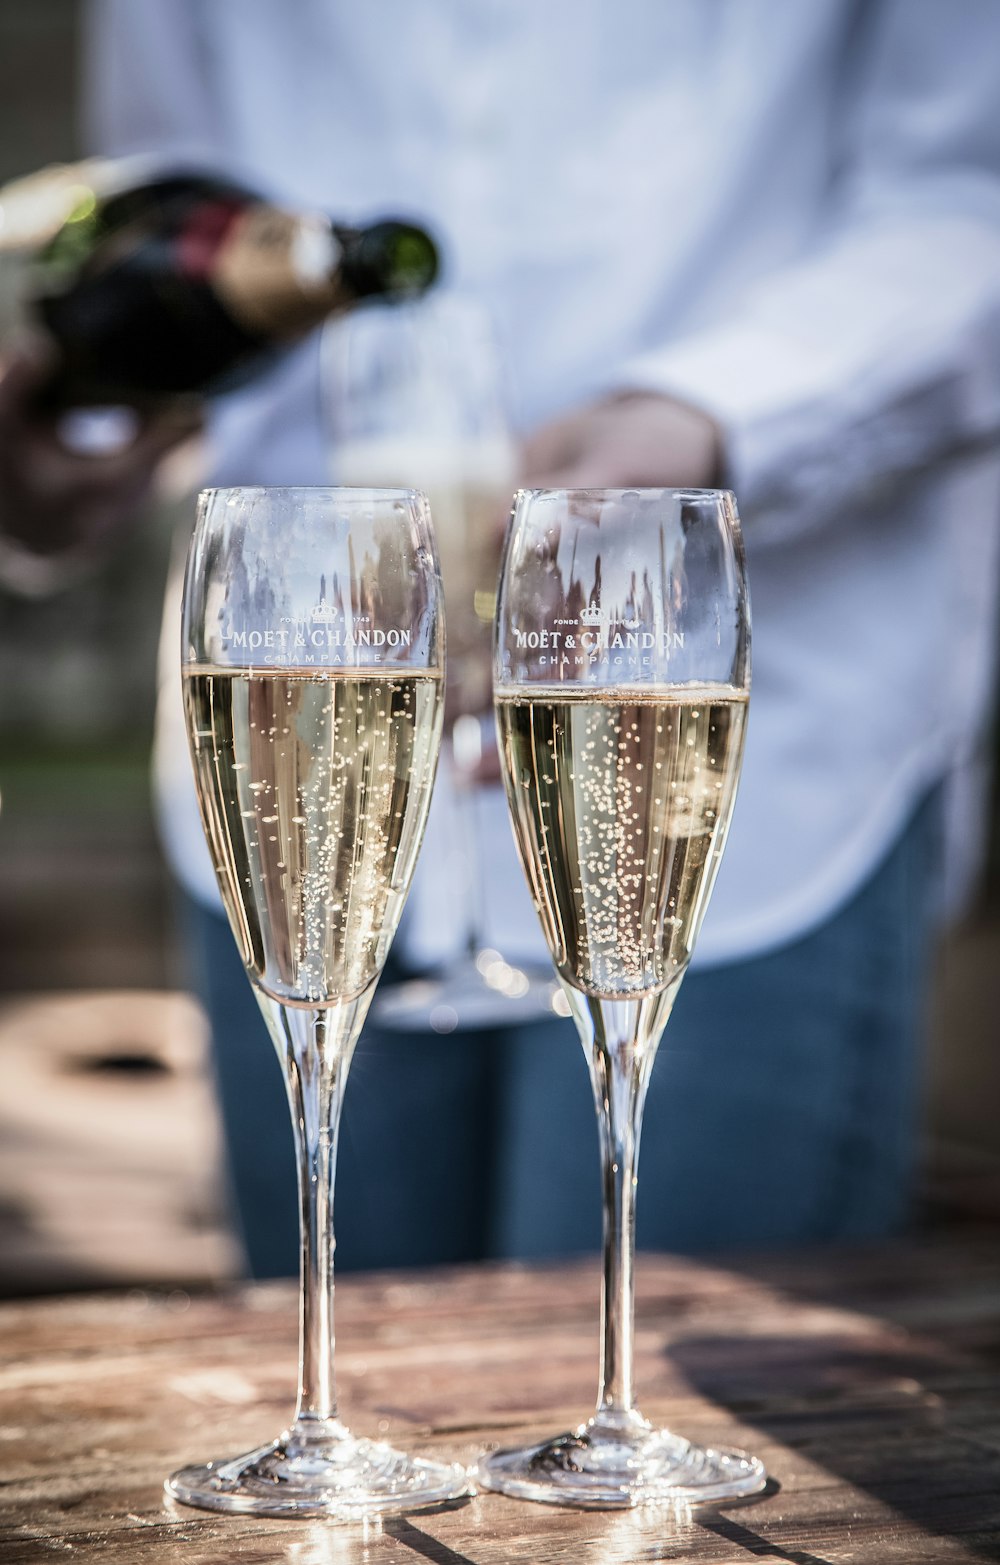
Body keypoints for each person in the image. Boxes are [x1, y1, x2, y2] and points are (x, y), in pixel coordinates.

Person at [6, 0, 999, 1275]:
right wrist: (83, 433)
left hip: (745, 745)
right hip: (292, 713)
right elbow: (174, 215)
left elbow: (972, 196)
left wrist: (706, 417)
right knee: (342, 1391)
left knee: (694, 1400)